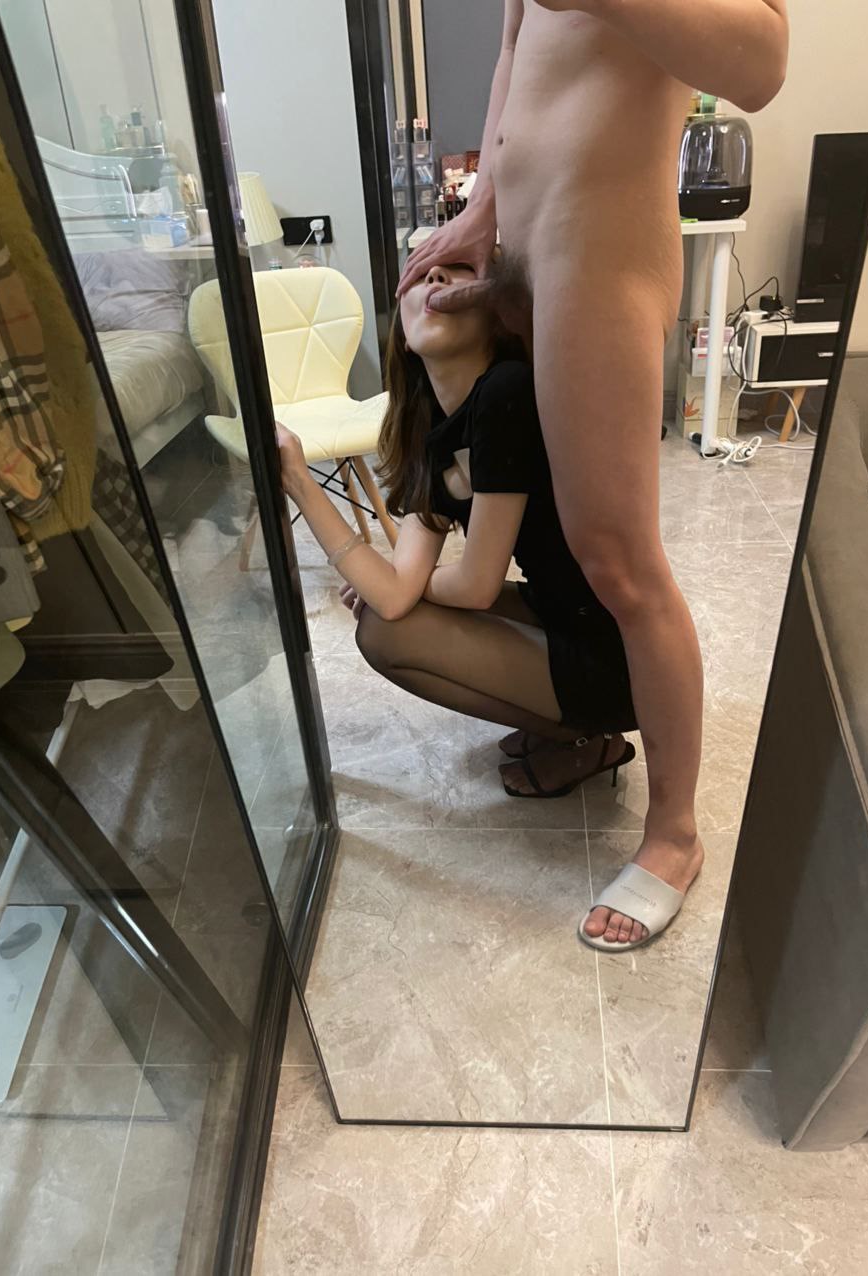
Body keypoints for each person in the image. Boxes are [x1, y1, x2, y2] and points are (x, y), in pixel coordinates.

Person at [397, 1, 789, 950]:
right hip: (528, 241)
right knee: (557, 539)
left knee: (618, 559)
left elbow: (764, 63)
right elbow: (516, 47)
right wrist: (484, 208)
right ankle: (584, 731)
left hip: (597, 242)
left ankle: (676, 834)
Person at [277, 261, 671, 950]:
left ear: (493, 311)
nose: (436, 277)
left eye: (458, 270)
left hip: (617, 656)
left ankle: (583, 737)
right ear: (399, 324)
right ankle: (579, 735)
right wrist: (366, 555)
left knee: (389, 633)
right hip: (567, 616)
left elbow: (474, 584)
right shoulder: (432, 424)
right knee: (385, 618)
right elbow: (398, 587)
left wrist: (394, 577)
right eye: (420, 273)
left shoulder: (507, 391)